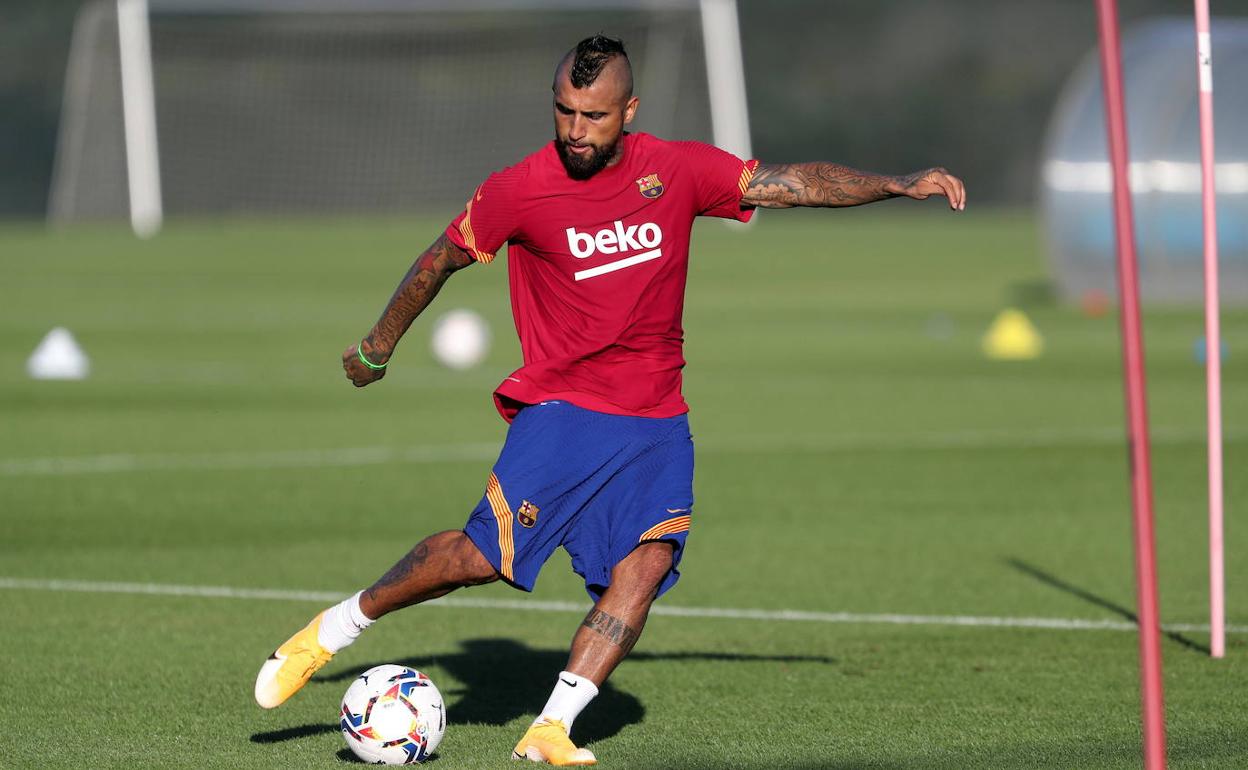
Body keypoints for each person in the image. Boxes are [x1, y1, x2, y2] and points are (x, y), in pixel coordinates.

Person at [254, 34, 965, 766]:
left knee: (647, 564)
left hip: (657, 419)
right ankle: (333, 629)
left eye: (593, 115)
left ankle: (550, 728)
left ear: (629, 109)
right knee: (477, 558)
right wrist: (378, 345)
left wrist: (897, 182)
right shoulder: (519, 188)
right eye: (563, 111)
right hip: (564, 410)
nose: (574, 129)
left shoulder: (679, 169)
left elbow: (792, 182)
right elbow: (439, 259)